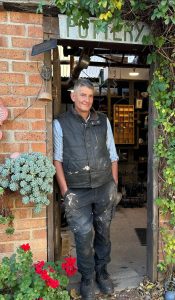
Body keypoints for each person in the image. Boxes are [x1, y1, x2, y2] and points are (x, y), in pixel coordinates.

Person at [53, 78, 118, 300]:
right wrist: (65, 191)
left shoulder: (103, 121)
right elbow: (57, 160)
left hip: (103, 186)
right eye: (83, 95)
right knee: (83, 235)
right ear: (73, 97)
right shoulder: (60, 123)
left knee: (103, 232)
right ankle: (88, 278)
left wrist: (114, 184)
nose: (87, 100)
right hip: (77, 191)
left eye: (90, 96)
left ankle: (102, 273)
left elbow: (113, 155)